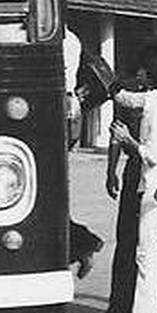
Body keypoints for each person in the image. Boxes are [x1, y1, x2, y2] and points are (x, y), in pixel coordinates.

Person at [97, 42, 157, 313]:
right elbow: (123, 105)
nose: (140, 72)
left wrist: (128, 143)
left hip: (155, 176)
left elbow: (151, 151)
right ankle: (137, 309)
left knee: (148, 249)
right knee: (147, 246)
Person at [62, 27, 103, 278]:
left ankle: (82, 244)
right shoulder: (74, 39)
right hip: (70, 110)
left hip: (60, 108)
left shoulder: (57, 38)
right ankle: (82, 244)